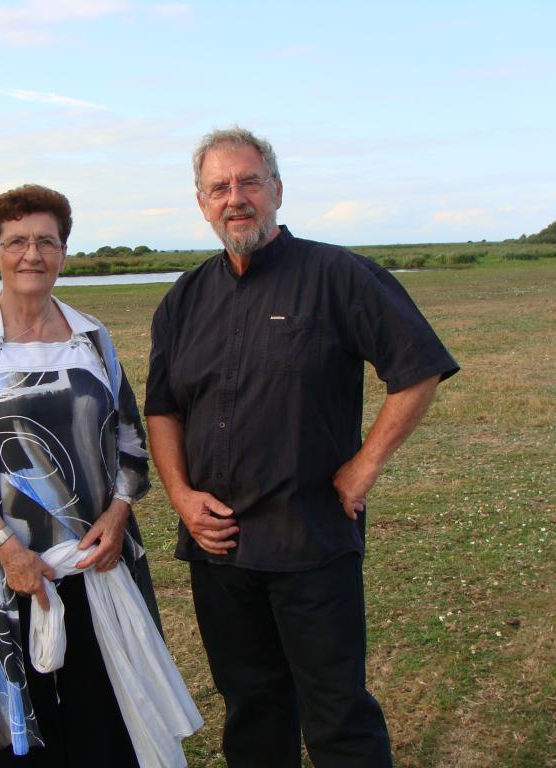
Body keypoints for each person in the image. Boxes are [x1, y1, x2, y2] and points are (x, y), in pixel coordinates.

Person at [145, 127, 459, 768]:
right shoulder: (184, 299)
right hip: (220, 551)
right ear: (202, 202)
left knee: (337, 715)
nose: (236, 198)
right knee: (252, 711)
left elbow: (418, 368)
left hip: (310, 540)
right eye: (219, 187)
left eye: (249, 182)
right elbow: (164, 409)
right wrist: (179, 495)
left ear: (277, 191)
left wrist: (363, 466)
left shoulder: (338, 275)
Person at [0, 184, 201, 767]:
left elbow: (129, 439)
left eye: (46, 241)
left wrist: (117, 514)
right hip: (2, 568)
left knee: (105, 710)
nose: (32, 254)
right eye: (17, 241)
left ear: (64, 253)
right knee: (12, 720)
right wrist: (8, 549)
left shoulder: (92, 338)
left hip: (96, 558)